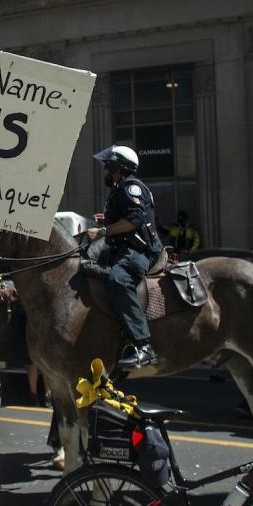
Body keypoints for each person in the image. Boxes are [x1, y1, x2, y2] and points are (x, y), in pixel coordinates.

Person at [86, 145, 163, 369]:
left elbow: (135, 220)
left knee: (118, 281)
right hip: (122, 248)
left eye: (107, 167)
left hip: (139, 251)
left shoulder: (131, 187)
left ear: (118, 167)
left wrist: (102, 231)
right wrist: (106, 221)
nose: (105, 173)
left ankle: (144, 347)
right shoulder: (121, 188)